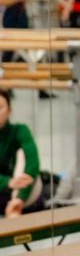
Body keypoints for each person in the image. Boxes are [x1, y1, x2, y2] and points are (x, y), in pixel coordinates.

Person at [0, 89, 43, 218]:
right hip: (5, 186)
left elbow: (32, 163)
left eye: (0, 107)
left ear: (9, 110)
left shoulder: (20, 130)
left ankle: (15, 206)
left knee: (23, 156)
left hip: (24, 190)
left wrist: (19, 197)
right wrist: (8, 181)